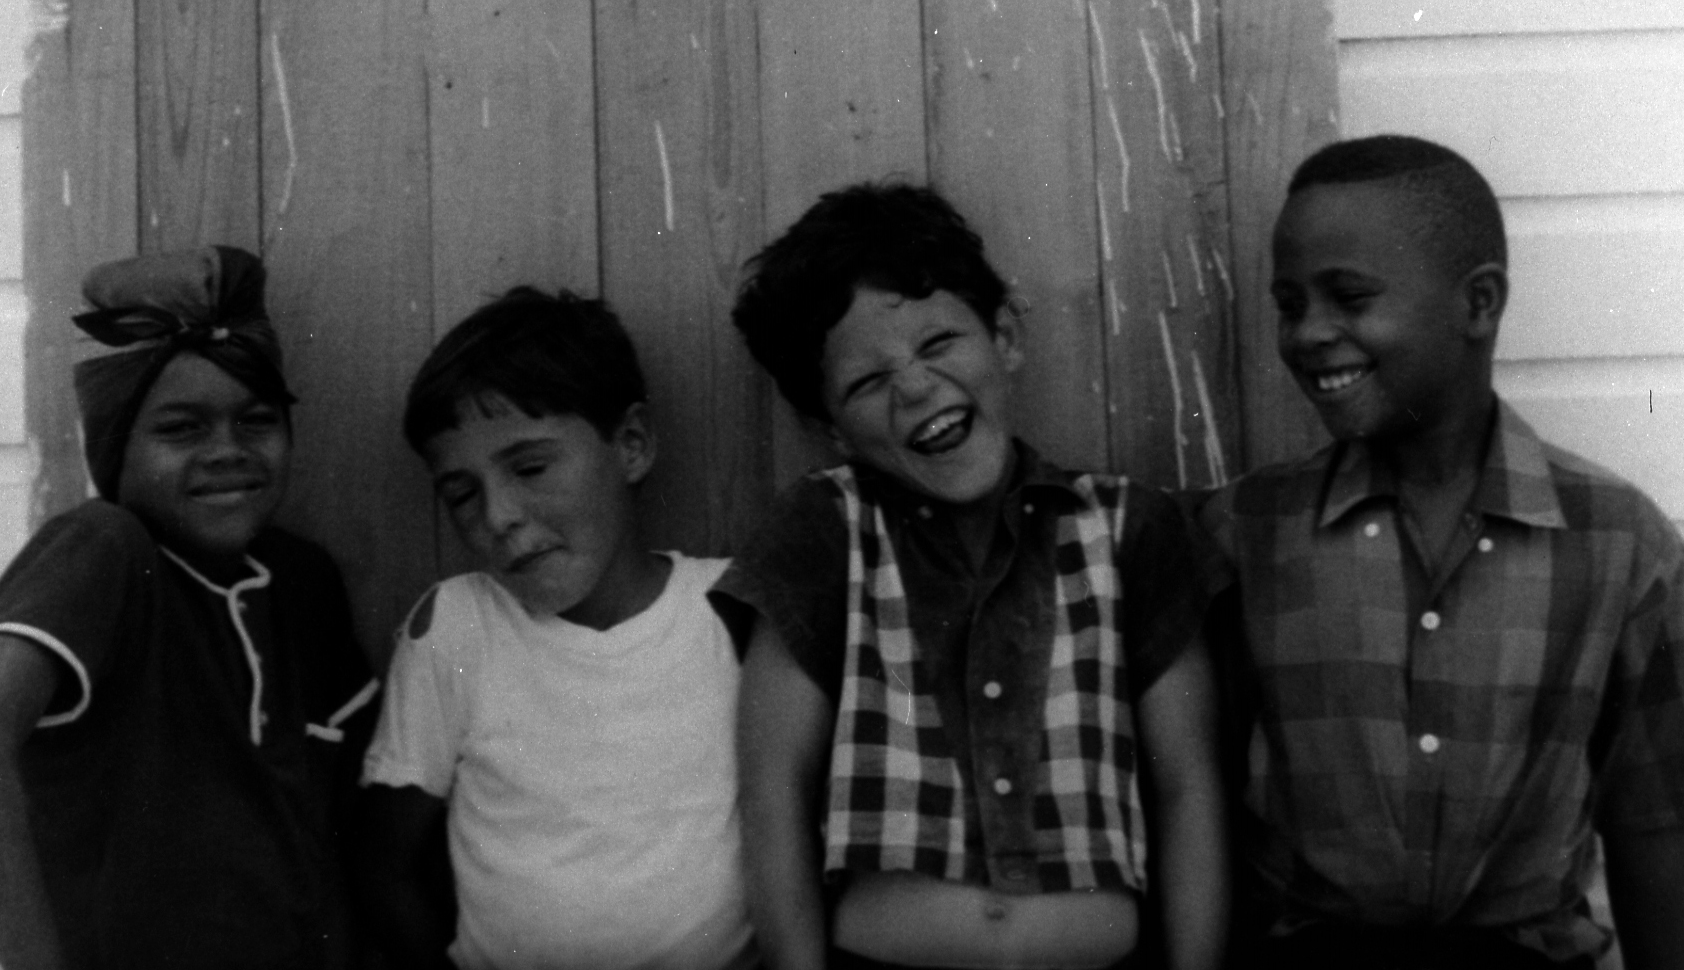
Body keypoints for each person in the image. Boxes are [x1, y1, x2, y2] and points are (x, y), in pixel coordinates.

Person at [1200, 132, 1684, 970]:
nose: (1308, 332)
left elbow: (1653, 823)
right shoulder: (1247, 530)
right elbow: (1196, 803)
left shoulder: (1615, 541)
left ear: (1479, 303)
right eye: (1288, 302)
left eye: (1346, 296)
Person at [721, 180, 1228, 970]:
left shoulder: (1131, 526)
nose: (916, 387)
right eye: (865, 382)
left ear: (1006, 337)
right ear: (830, 430)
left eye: (937, 344)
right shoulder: (824, 530)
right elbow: (771, 788)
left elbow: (1189, 787)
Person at [0, 243, 376, 970]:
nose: (227, 449)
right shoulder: (105, 550)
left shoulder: (300, 580)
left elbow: (349, 823)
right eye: (181, 427)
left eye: (256, 419)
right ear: (113, 449)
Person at [359, 284, 757, 970]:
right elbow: (386, 864)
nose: (499, 514)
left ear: (630, 444)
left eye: (530, 467)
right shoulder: (458, 626)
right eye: (462, 493)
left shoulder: (731, 607)